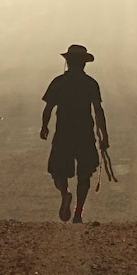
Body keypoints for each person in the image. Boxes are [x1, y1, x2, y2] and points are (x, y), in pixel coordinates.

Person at [40, 44, 109, 223]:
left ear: (68, 62)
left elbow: (48, 107)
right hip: (85, 134)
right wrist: (103, 135)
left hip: (63, 133)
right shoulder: (90, 83)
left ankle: (65, 193)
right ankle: (78, 212)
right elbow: (98, 110)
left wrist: (44, 127)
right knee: (84, 174)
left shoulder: (58, 82)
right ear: (84, 64)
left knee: (58, 171)